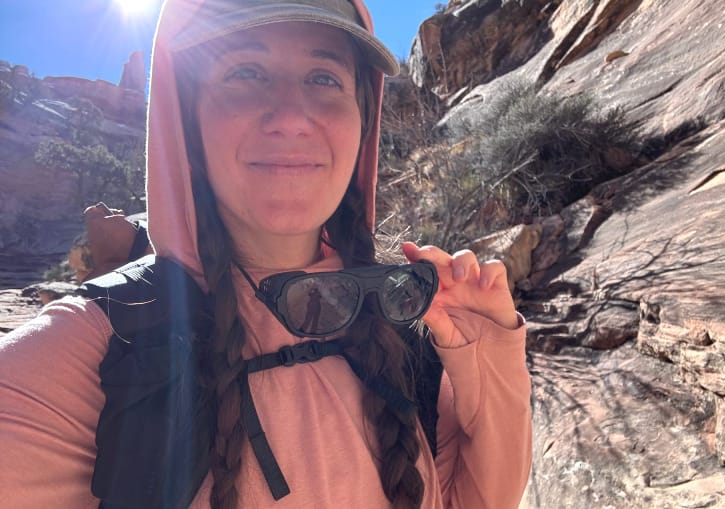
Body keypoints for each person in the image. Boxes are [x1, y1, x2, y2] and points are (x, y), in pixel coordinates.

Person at [0, 0, 532, 508]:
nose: (291, 116)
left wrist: (490, 359)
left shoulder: (400, 321)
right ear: (187, 120)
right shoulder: (97, 347)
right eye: (245, 72)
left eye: (323, 78)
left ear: (362, 123)